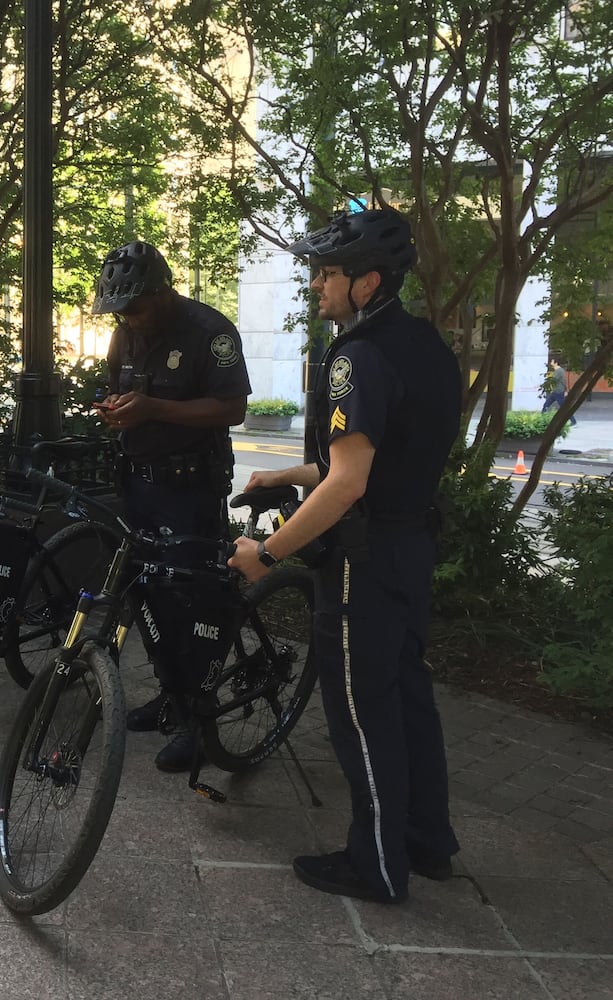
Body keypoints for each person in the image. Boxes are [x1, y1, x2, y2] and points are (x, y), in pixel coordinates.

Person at [228, 208, 460, 904]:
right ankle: (425, 844)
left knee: (361, 711)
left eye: (326, 274)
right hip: (411, 543)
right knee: (407, 696)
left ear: (367, 282)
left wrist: (264, 553)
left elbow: (350, 484)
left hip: (364, 558)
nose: (316, 287)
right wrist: (290, 476)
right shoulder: (424, 344)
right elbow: (381, 461)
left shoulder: (355, 357)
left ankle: (377, 865)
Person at [91, 240, 250, 771]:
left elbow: (232, 408)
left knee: (193, 604)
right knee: (149, 600)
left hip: (189, 492)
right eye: (119, 311)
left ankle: (197, 722)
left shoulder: (209, 331)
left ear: (161, 292)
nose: (128, 320)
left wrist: (154, 407)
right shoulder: (125, 334)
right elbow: (123, 392)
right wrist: (115, 410)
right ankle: (171, 694)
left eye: (134, 308)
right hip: (138, 485)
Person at [541, 358, 575, 424]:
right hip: (555, 392)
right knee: (546, 405)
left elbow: (553, 380)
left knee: (564, 408)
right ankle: (542, 419)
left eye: (552, 361)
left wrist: (543, 385)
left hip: (559, 392)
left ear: (556, 363)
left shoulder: (559, 371)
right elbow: (563, 381)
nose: (551, 363)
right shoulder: (558, 370)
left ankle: (573, 421)